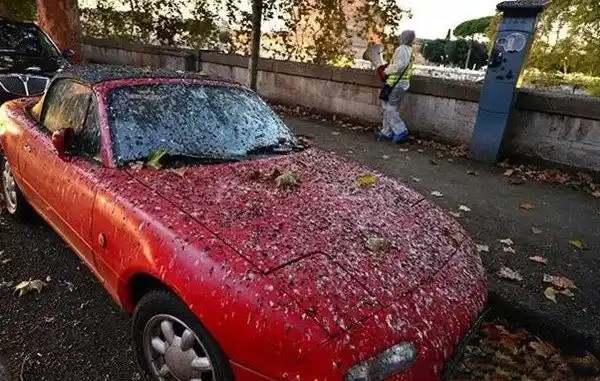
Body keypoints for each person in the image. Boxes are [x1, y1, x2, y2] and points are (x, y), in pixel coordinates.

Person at [376, 30, 416, 143]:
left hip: (396, 84)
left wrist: (385, 71)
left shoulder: (402, 49)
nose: (400, 37)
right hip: (399, 84)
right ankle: (386, 132)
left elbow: (399, 66)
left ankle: (400, 130)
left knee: (390, 108)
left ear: (404, 37)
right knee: (387, 107)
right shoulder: (409, 50)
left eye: (401, 36)